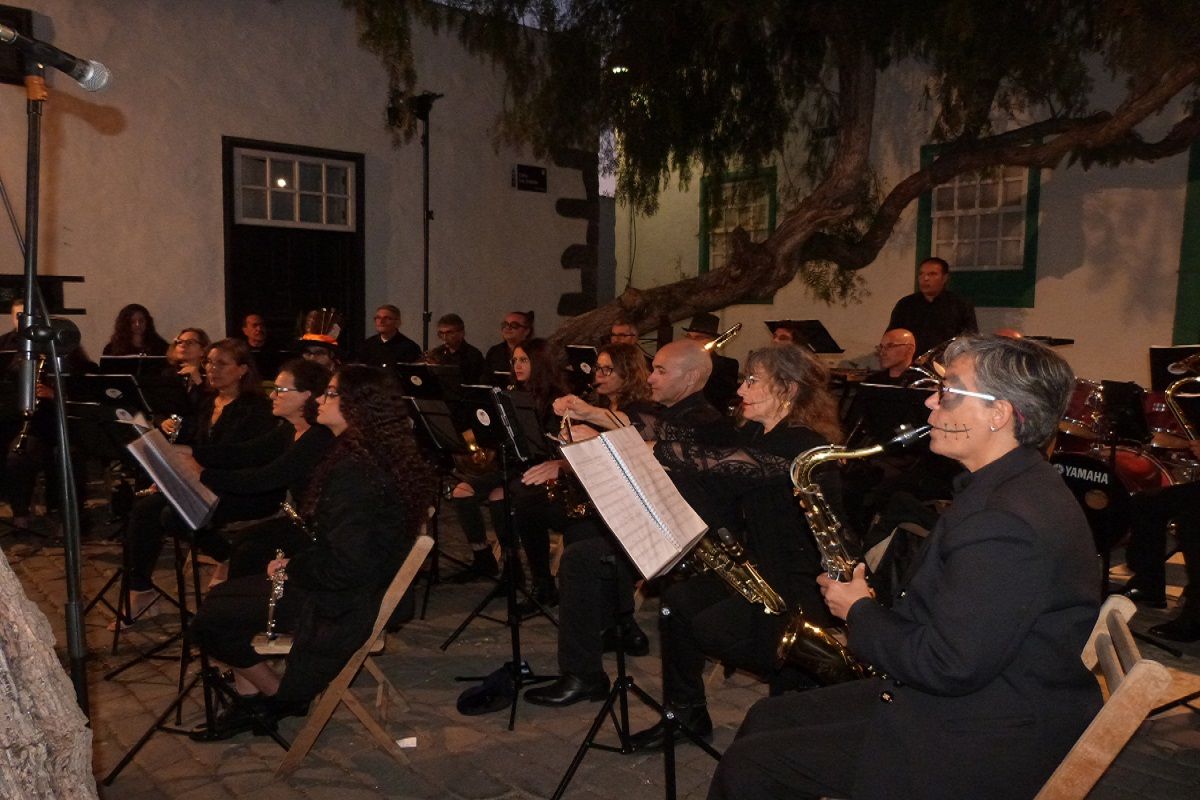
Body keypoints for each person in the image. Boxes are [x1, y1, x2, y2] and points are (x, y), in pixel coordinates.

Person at [709, 335, 1102, 800]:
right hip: (976, 699)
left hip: (981, 734)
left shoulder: (1005, 522)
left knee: (752, 765)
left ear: (999, 414)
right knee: (766, 716)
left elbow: (949, 666)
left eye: (950, 391)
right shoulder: (1011, 485)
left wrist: (858, 612)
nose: (932, 402)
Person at [189, 365, 437, 738]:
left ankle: (277, 696)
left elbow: (345, 565)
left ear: (359, 407)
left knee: (208, 621)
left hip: (344, 603)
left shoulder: (357, 473)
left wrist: (292, 567)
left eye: (332, 394)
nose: (321, 398)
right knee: (228, 592)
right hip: (353, 587)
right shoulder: (369, 454)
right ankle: (257, 694)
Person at [625, 344, 845, 750]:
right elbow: (711, 469)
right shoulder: (759, 431)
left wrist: (653, 451)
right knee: (678, 601)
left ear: (788, 390)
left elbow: (725, 463)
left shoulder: (802, 444)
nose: (741, 389)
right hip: (760, 567)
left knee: (715, 628)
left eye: (752, 380)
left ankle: (786, 733)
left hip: (802, 585)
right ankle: (687, 713)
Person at [525, 339, 733, 706]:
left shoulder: (704, 420)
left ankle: (584, 672)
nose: (651, 378)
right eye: (653, 369)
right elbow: (637, 429)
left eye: (661, 371)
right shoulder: (670, 412)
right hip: (657, 523)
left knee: (581, 557)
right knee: (582, 541)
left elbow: (648, 446)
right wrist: (586, 414)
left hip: (687, 538)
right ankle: (614, 630)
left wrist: (597, 439)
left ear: (692, 377)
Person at [121, 339, 276, 624]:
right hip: (203, 481)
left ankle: (227, 555)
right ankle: (141, 588)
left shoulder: (256, 408)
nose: (211, 369)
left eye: (221, 364)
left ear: (242, 370)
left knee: (173, 514)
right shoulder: (206, 402)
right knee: (144, 508)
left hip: (240, 486)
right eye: (209, 363)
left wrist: (193, 464)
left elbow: (242, 456)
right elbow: (190, 444)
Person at [887, 257, 978, 355]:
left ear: (944, 278)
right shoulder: (906, 305)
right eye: (921, 274)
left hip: (946, 362)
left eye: (932, 274)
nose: (925, 278)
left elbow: (970, 338)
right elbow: (892, 336)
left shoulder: (960, 304)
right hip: (911, 363)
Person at [682, 312, 741, 413]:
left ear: (712, 340)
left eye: (698, 337)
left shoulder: (727, 365)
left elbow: (720, 396)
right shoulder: (679, 362)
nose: (691, 341)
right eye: (688, 336)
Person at [426, 313, 485, 384]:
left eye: (449, 333)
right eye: (441, 333)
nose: (444, 337)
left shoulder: (473, 355)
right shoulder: (437, 353)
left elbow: (474, 385)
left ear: (461, 333)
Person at [359, 303, 420, 368]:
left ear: (397, 322)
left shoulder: (410, 348)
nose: (381, 321)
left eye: (386, 318)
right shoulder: (367, 345)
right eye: (378, 318)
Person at [102, 303, 170, 357]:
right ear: (125, 324)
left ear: (147, 322)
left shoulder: (160, 347)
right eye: (132, 322)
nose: (137, 324)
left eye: (141, 321)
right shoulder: (111, 349)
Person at [484, 310, 533, 383]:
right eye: (505, 324)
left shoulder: (535, 351)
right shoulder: (494, 351)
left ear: (526, 331)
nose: (508, 328)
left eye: (514, 325)